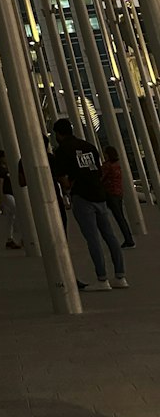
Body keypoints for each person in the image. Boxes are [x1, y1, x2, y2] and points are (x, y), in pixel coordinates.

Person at [51, 118, 127, 291]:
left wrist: (68, 187)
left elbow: (62, 177)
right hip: (99, 195)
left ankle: (102, 279)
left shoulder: (62, 150)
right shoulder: (89, 146)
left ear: (58, 134)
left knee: (92, 239)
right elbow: (98, 170)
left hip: (82, 196)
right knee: (110, 236)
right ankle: (120, 276)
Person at [100, 145, 136, 249]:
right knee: (121, 217)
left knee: (118, 217)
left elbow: (101, 178)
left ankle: (129, 240)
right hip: (118, 193)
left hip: (110, 194)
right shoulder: (117, 165)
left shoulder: (107, 166)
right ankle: (128, 239)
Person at [0, 150, 21, 250]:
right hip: (7, 194)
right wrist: (0, 198)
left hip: (10, 193)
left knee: (11, 217)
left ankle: (9, 239)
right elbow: (0, 185)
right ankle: (22, 236)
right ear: (1, 158)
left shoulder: (5, 169)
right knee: (17, 213)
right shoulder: (1, 170)